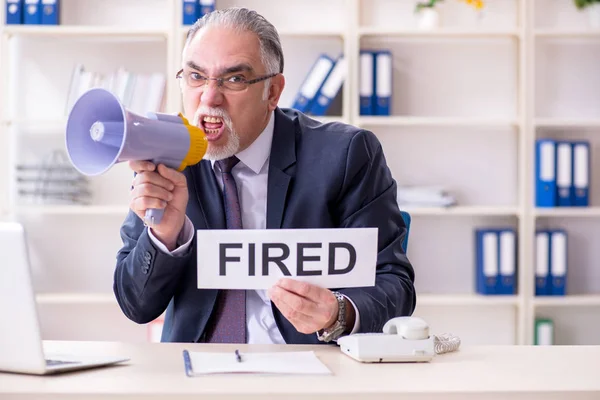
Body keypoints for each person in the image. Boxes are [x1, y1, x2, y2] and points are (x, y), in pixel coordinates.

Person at [114, 7, 415, 345]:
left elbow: (394, 284)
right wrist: (164, 237)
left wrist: (337, 314)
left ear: (273, 92)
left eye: (234, 79)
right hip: (197, 372)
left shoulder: (346, 155)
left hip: (307, 369)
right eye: (196, 76)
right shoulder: (168, 154)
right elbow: (136, 306)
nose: (209, 98)